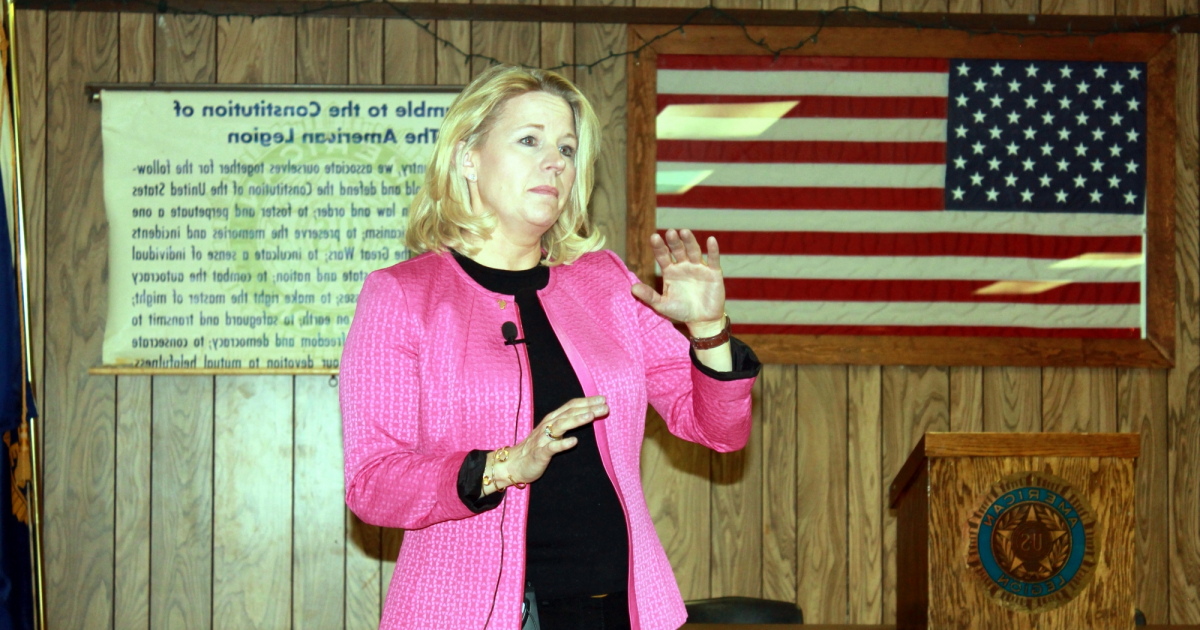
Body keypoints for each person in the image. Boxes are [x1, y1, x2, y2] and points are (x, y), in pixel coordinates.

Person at [340, 64, 760, 630]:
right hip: (470, 614)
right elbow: (373, 484)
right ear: (468, 157)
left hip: (619, 609)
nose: (555, 161)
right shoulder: (402, 296)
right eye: (529, 140)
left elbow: (719, 431)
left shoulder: (607, 284)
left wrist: (709, 330)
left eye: (566, 147)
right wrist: (506, 466)